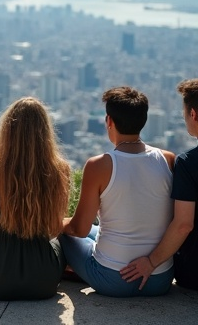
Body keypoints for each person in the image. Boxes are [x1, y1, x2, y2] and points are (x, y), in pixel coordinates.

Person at [61, 86, 175, 297]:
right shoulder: (168, 160)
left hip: (112, 279)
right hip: (159, 278)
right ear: (143, 120)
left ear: (109, 121)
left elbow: (79, 229)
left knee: (65, 234)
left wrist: (55, 223)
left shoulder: (99, 166)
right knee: (97, 230)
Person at [0, 97, 71, 300]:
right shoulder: (59, 170)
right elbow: (54, 228)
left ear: (6, 130)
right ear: (45, 132)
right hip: (44, 281)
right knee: (67, 240)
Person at [121, 79, 198, 291]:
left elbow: (184, 224)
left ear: (194, 114)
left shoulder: (189, 163)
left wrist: (151, 262)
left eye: (184, 114)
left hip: (194, 274)